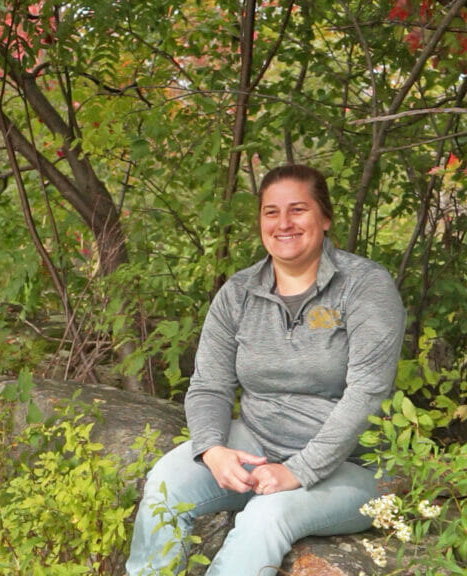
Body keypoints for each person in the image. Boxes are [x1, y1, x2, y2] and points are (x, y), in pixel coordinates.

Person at [124, 164, 406, 576]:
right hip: (256, 445)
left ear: (324, 218)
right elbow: (208, 385)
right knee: (166, 483)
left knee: (265, 515)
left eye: (298, 210)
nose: (283, 223)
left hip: (352, 468)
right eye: (271, 212)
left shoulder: (364, 286)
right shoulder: (238, 292)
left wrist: (298, 470)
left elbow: (367, 392)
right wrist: (212, 449)